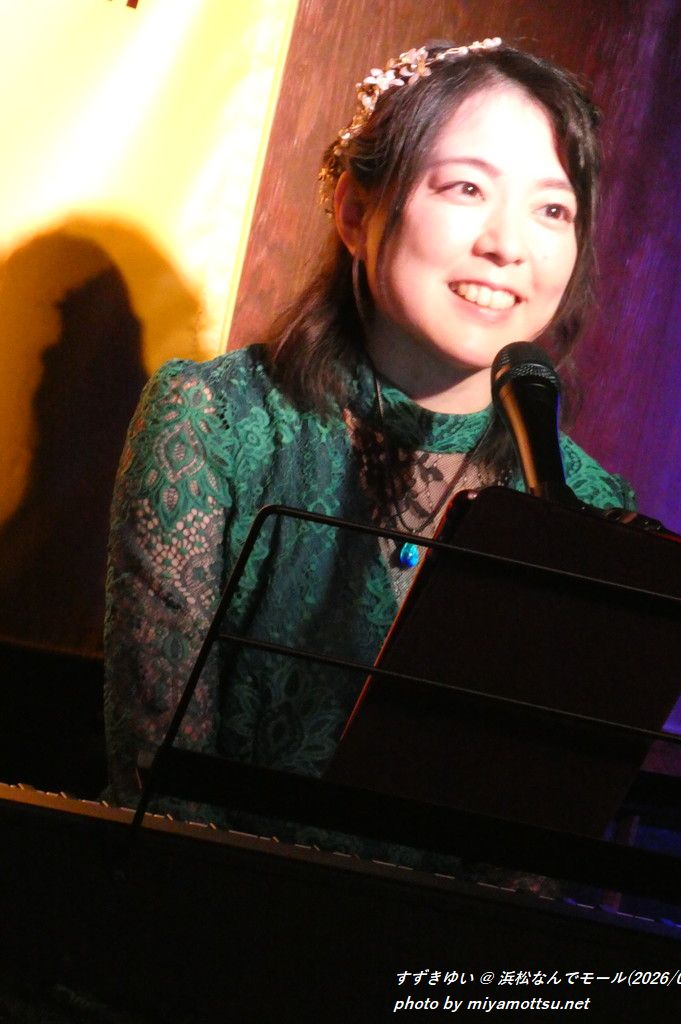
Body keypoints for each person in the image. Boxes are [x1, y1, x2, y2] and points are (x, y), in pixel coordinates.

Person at [104, 39, 635, 854]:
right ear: (356, 212)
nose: (508, 244)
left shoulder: (590, 508)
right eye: (466, 188)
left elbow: (536, 848)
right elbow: (163, 788)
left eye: (553, 210)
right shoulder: (214, 420)